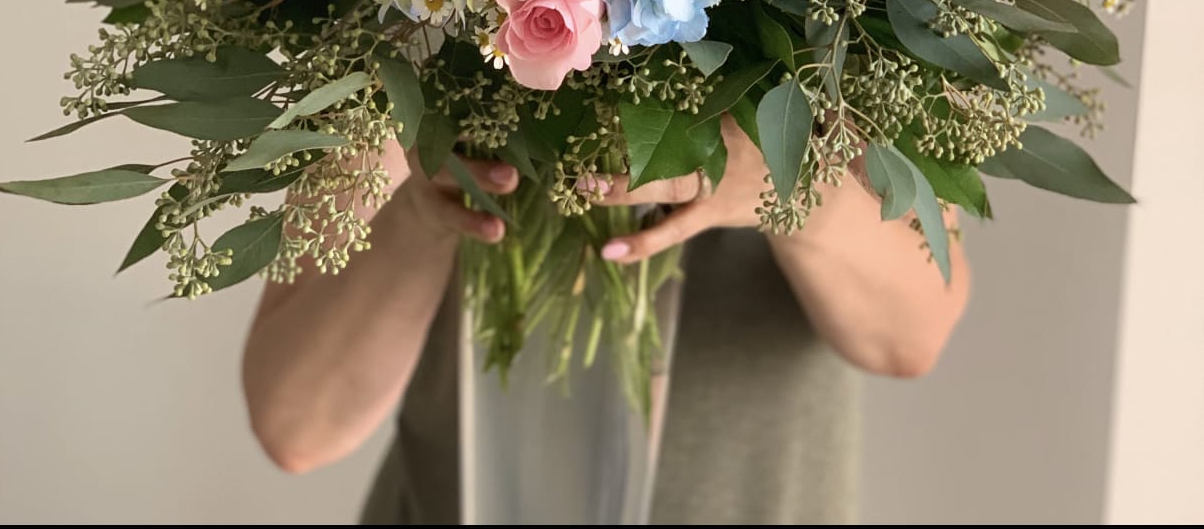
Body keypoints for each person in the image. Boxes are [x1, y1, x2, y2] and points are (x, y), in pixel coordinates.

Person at [243, 117, 971, 524]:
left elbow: (910, 333)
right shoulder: (397, 24)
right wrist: (418, 206)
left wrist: (776, 180)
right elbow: (297, 423)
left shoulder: (857, 0)